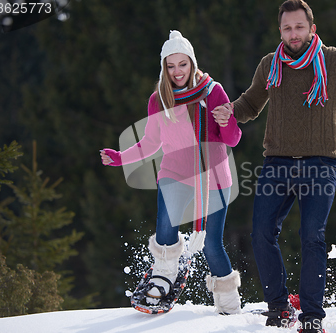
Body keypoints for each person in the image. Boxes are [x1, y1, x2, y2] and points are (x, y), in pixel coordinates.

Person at [213, 0, 336, 331]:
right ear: (280, 31)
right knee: (261, 234)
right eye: (287, 28)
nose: (293, 33)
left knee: (312, 235)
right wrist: (231, 110)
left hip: (320, 164)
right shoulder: (271, 64)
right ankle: (280, 307)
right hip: (277, 163)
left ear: (312, 29)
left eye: (299, 27)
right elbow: (252, 103)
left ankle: (312, 315)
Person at [100, 30, 243, 315]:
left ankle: (228, 300)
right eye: (171, 65)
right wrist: (121, 158)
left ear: (192, 62)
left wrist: (226, 121)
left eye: (183, 64)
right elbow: (151, 143)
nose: (177, 71)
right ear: (164, 67)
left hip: (212, 175)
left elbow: (233, 139)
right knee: (165, 227)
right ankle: (163, 276)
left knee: (212, 246)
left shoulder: (213, 92)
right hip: (175, 172)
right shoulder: (159, 99)